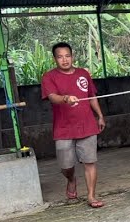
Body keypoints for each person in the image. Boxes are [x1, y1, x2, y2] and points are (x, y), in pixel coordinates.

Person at [41, 42, 106, 208]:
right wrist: (65, 98)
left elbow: (91, 96)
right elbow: (52, 97)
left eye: (67, 56)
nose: (64, 60)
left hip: (87, 124)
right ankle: (71, 179)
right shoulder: (49, 77)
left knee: (90, 161)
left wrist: (100, 116)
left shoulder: (83, 74)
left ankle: (91, 196)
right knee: (66, 166)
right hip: (63, 128)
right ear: (54, 59)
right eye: (60, 57)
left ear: (72, 56)